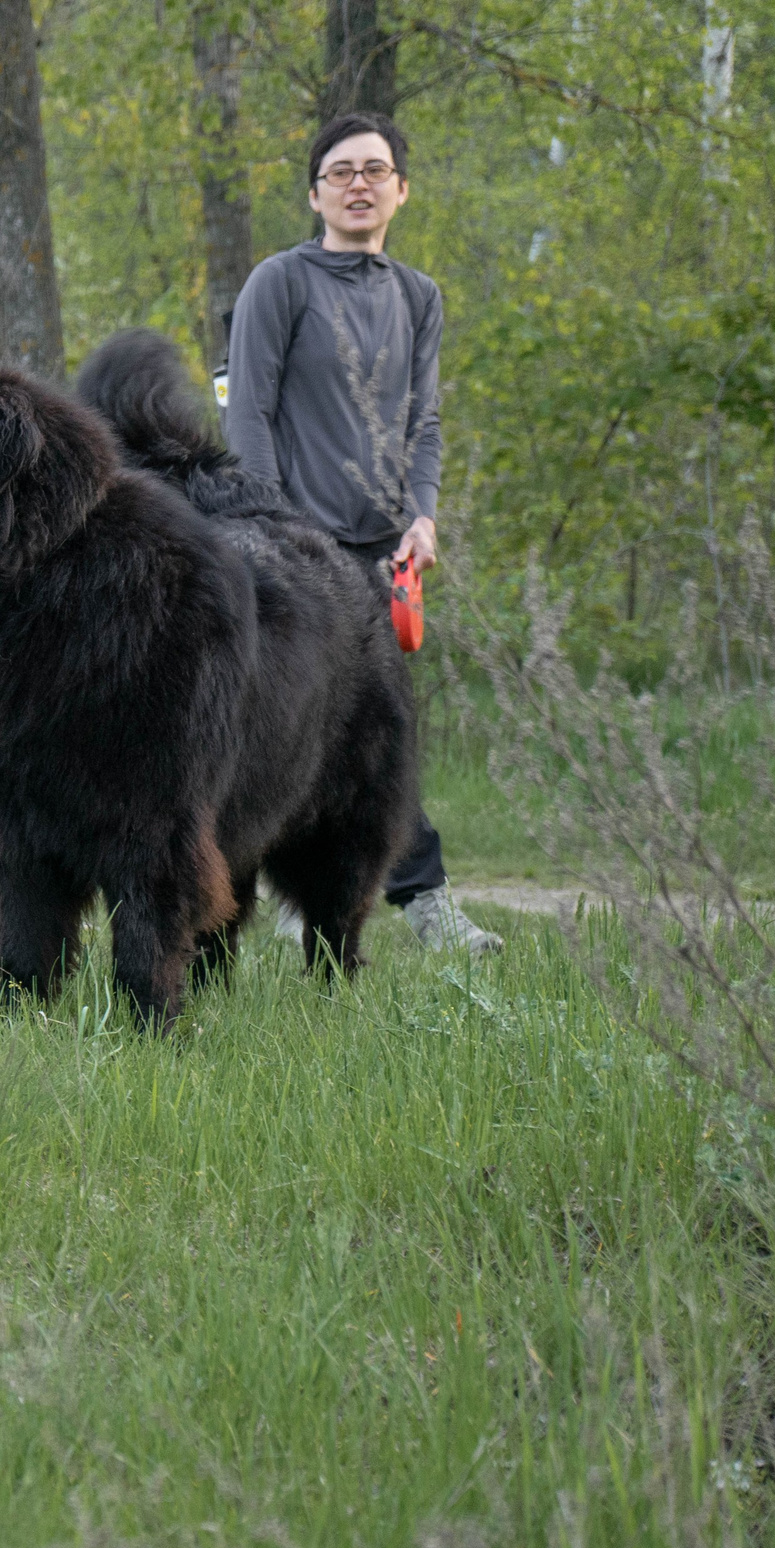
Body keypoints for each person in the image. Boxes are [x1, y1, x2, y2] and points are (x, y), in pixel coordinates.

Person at [223, 110, 503, 955]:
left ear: (401, 190)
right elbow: (248, 414)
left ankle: (424, 905)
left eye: (375, 170)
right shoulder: (279, 283)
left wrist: (422, 517)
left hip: (380, 557)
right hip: (289, 555)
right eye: (340, 171)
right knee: (278, 732)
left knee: (377, 743)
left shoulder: (419, 297)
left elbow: (425, 424)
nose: (358, 184)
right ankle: (284, 900)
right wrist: (272, 531)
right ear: (314, 195)